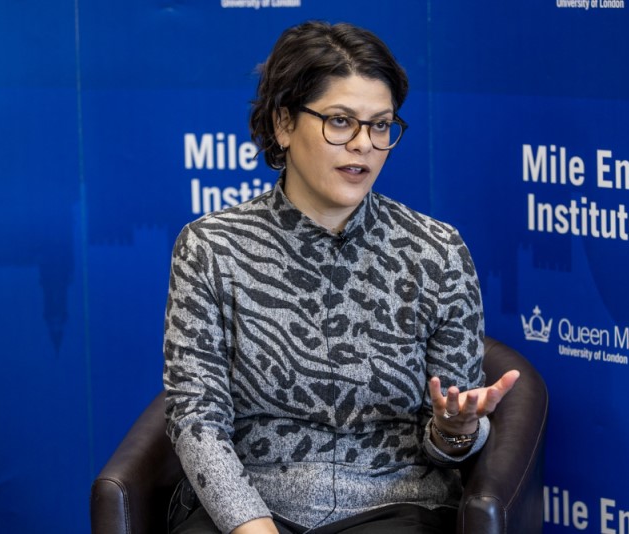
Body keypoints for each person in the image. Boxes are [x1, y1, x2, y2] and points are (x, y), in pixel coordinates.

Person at [163, 20, 520, 534]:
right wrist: (251, 525)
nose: (363, 145)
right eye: (340, 121)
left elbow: (445, 439)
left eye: (380, 125)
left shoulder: (436, 252)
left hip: (395, 506)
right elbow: (196, 415)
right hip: (250, 503)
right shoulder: (211, 247)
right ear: (283, 123)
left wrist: (456, 430)